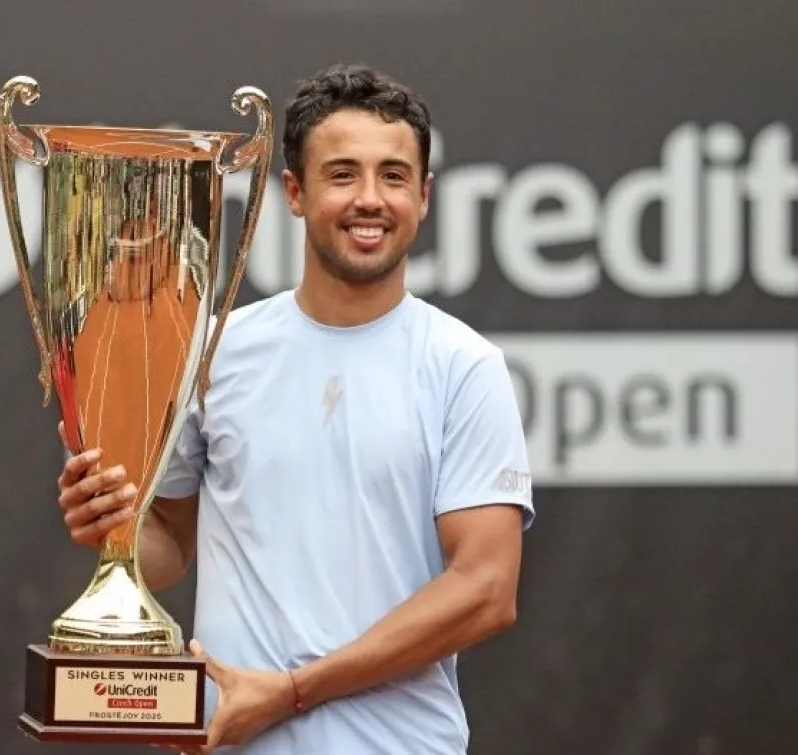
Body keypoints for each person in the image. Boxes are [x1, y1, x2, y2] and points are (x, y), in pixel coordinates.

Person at [56, 63, 535, 754]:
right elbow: (169, 548)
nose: (370, 199)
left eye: (393, 176)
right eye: (342, 174)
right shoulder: (215, 352)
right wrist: (113, 530)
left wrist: (292, 690)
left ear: (424, 196)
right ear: (294, 192)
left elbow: (487, 588)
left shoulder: (463, 366)